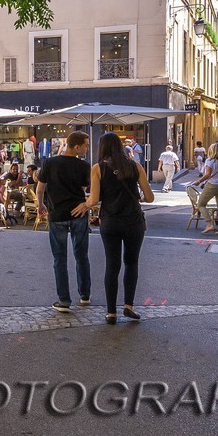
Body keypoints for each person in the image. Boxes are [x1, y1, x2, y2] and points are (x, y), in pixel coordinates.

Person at [80, 131, 155, 324]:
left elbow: (95, 199)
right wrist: (137, 195)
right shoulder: (135, 166)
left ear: (102, 147)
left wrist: (84, 204)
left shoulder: (98, 168)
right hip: (134, 222)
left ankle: (111, 312)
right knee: (131, 263)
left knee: (112, 265)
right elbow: (150, 197)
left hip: (110, 222)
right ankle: (128, 306)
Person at [39, 131, 92, 311]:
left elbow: (40, 188)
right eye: (86, 145)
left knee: (59, 258)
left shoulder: (50, 163)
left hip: (57, 215)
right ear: (76, 147)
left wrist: (40, 205)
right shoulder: (85, 166)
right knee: (81, 256)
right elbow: (83, 189)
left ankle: (64, 300)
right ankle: (84, 294)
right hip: (78, 214)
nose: (87, 148)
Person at [185, 142, 218, 235]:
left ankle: (209, 224)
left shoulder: (210, 161)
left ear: (212, 151)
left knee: (200, 204)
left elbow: (207, 174)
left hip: (212, 185)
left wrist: (199, 181)